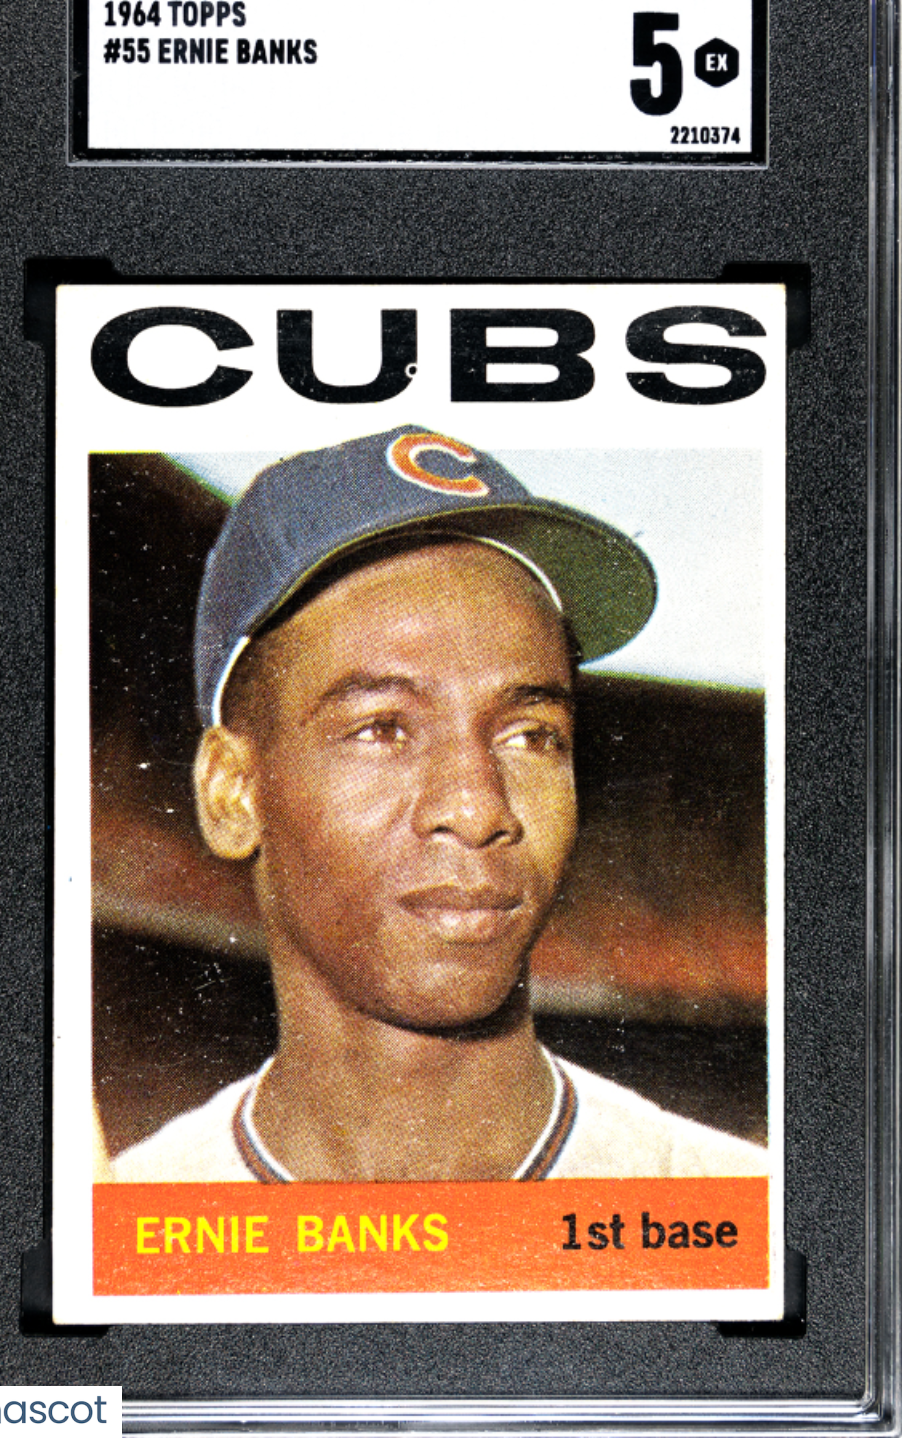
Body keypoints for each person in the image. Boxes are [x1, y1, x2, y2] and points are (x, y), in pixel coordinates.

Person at [112, 426, 767, 1182]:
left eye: (529, 736)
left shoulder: (733, 1204)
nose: (478, 808)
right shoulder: (129, 1213)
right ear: (232, 792)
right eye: (382, 729)